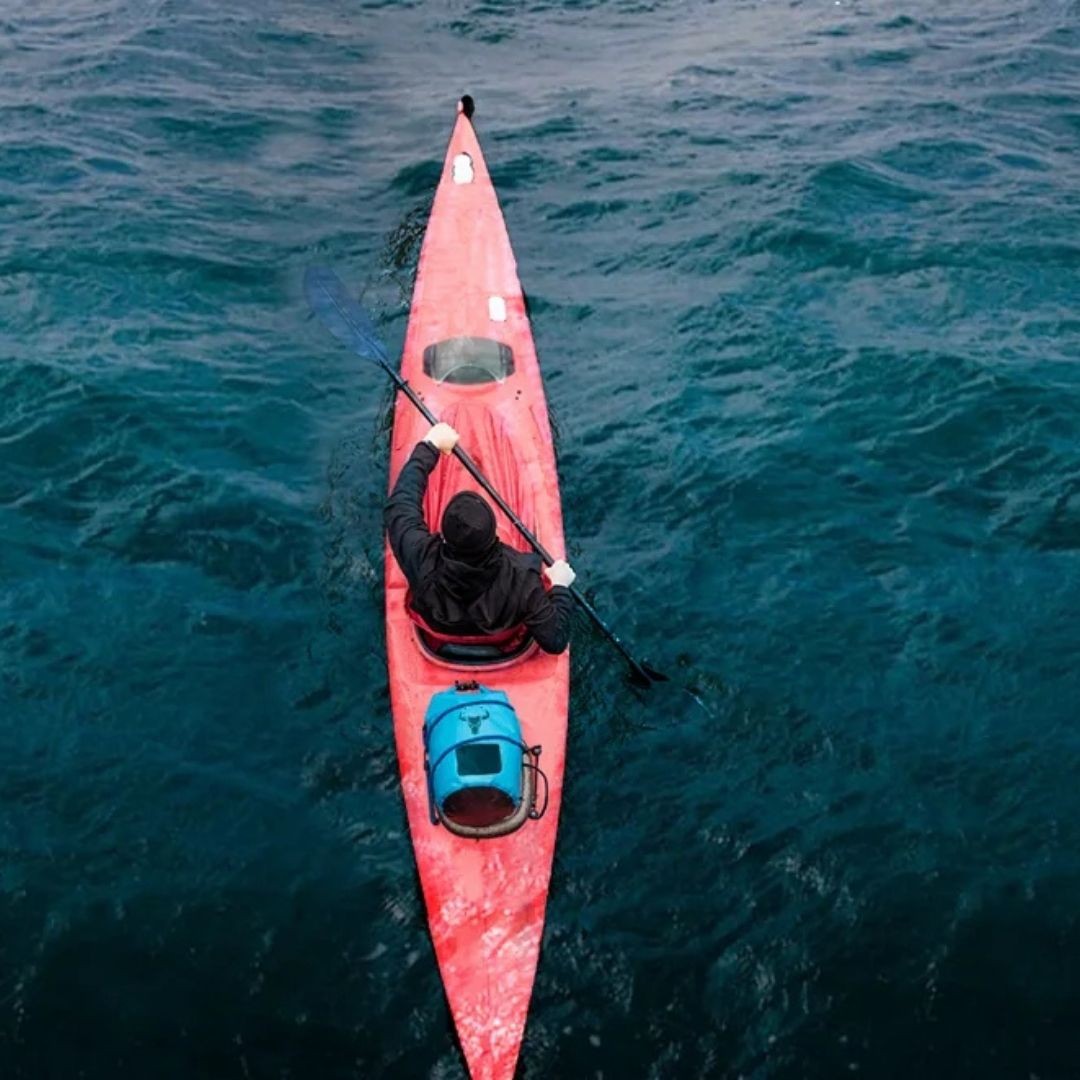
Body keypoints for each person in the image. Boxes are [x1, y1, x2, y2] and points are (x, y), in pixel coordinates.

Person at [385, 422, 576, 654]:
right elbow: (555, 641)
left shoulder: (420, 557)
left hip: (441, 637)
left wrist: (430, 446)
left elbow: (400, 507)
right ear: (493, 532)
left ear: (444, 536)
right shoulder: (523, 577)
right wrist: (560, 587)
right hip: (499, 641)